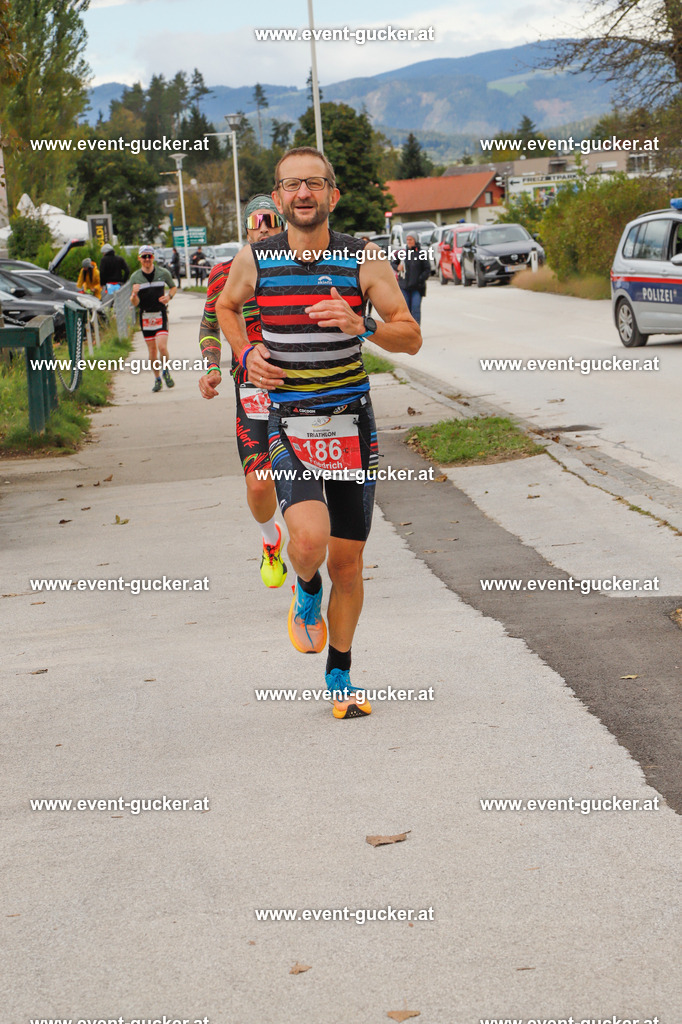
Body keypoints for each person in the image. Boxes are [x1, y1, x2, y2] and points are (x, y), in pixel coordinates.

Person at [216, 147, 422, 719]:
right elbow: (227, 307)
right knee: (308, 542)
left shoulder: (363, 259)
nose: (303, 193)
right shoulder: (255, 257)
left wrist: (363, 325)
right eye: (291, 185)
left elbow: (410, 337)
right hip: (290, 420)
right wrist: (245, 352)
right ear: (278, 197)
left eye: (314, 183)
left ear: (333, 193)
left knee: (348, 564)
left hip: (352, 422)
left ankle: (340, 674)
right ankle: (305, 588)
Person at [198, 195, 288, 589]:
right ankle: (271, 539)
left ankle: (310, 557)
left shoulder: (300, 268)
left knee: (310, 483)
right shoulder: (225, 272)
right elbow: (209, 324)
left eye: (271, 221)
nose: (263, 229)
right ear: (247, 229)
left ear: (282, 225)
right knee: (259, 483)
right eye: (256, 223)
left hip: (302, 388)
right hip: (251, 390)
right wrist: (211, 367)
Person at [129, 245, 177, 392]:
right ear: (139, 259)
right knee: (152, 351)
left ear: (153, 257)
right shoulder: (135, 277)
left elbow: (173, 287)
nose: (147, 259)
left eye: (149, 256)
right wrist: (134, 295)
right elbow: (135, 303)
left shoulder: (163, 273)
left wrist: (169, 297)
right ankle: (157, 379)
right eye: (144, 257)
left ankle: (166, 371)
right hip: (145, 316)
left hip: (160, 314)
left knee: (162, 347)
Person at [394, 233, 430, 324]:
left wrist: (420, 279)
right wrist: (397, 267)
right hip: (404, 286)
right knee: (406, 310)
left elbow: (427, 269)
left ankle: (416, 328)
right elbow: (393, 263)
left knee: (415, 308)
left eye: (411, 239)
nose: (408, 241)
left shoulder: (421, 253)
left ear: (415, 240)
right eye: (407, 239)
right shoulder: (402, 253)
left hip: (417, 287)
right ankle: (408, 328)